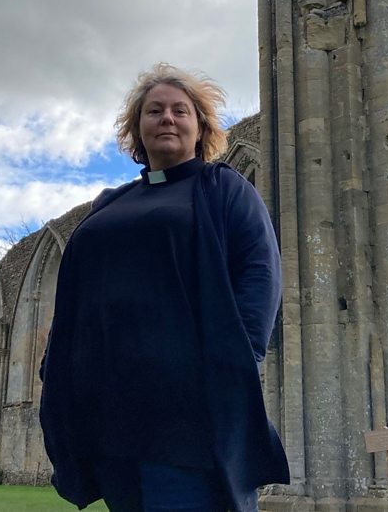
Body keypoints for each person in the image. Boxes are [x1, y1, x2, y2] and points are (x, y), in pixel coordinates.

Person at [39, 63, 290, 512]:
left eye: (180, 110)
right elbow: (79, 294)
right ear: (137, 128)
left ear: (201, 127)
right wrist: (55, 364)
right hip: (113, 414)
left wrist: (234, 362)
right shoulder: (111, 202)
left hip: (187, 414)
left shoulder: (222, 188)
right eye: (154, 111)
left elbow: (259, 273)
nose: (167, 118)